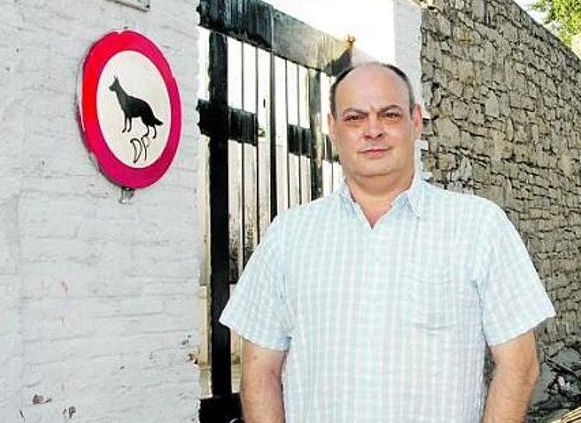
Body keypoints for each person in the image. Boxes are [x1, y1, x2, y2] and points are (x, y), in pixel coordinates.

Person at [220, 62, 555, 422]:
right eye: (355, 118)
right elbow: (260, 373)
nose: (373, 130)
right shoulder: (288, 236)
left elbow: (520, 366)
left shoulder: (479, 227)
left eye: (389, 115)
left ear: (416, 121)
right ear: (333, 128)